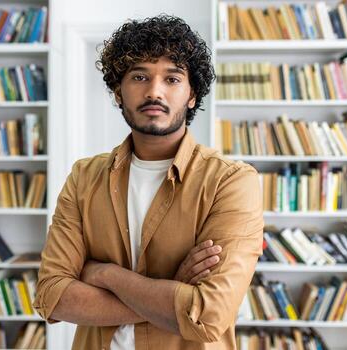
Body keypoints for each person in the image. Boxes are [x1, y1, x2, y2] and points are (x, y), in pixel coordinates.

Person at [33, 14, 264, 350]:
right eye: (139, 76)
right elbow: (52, 297)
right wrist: (172, 288)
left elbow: (208, 315)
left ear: (192, 95)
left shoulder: (231, 182)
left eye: (172, 79)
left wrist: (104, 275)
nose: (154, 91)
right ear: (118, 93)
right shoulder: (84, 177)